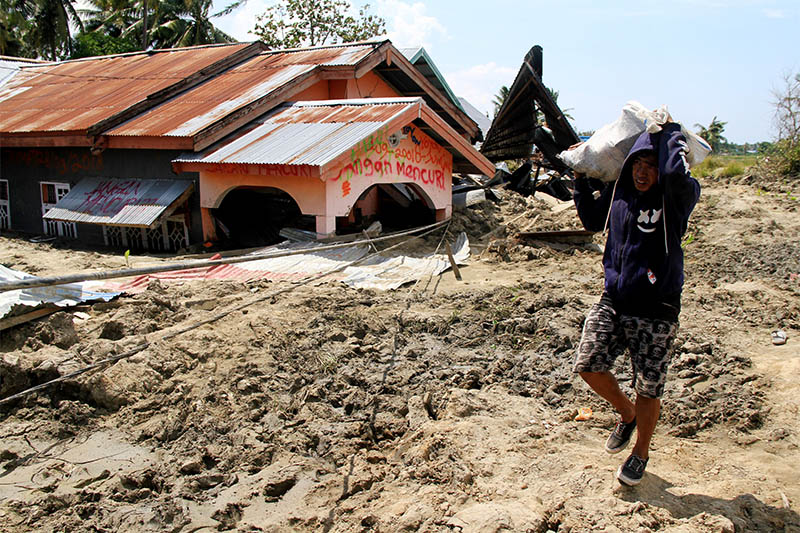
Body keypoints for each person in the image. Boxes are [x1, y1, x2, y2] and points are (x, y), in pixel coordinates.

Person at [571, 122, 701, 486]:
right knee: (588, 365)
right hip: (615, 297)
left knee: (649, 386)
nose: (642, 172)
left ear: (663, 164)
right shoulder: (620, 192)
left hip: (657, 306)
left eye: (651, 163)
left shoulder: (676, 198)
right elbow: (592, 221)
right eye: (636, 163)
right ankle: (626, 413)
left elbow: (677, 175)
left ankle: (640, 452)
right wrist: (581, 177)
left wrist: (670, 135)